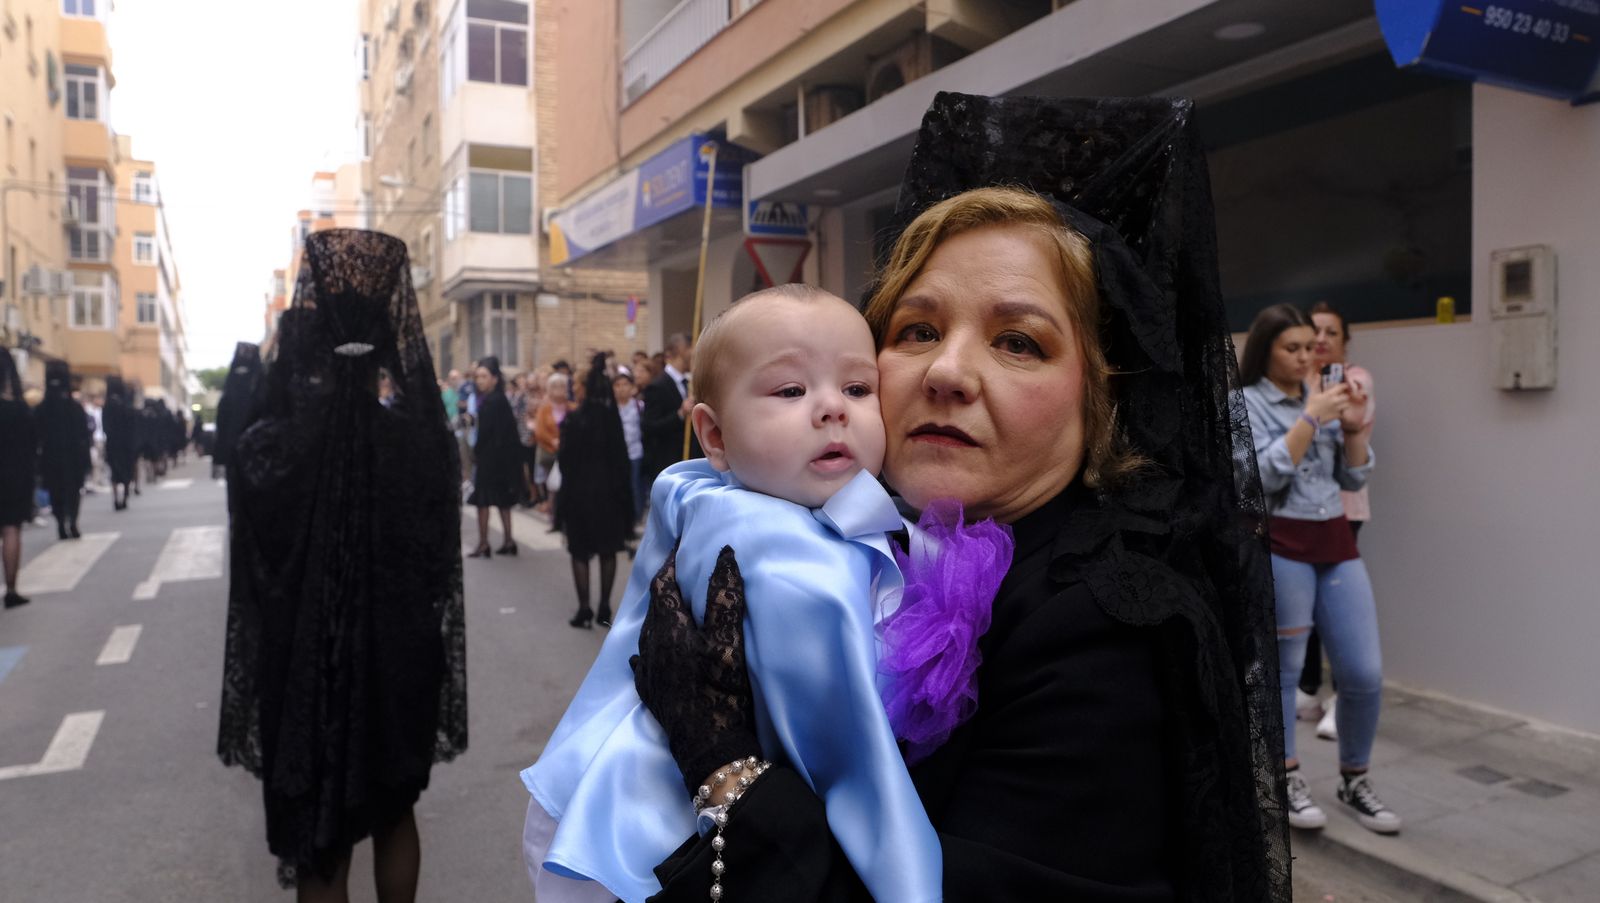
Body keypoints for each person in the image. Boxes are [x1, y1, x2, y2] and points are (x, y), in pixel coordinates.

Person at [610, 94, 1290, 902]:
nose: (946, 371)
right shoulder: (850, 534)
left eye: (1018, 341)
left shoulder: (1106, 630)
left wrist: (721, 763)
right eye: (918, 330)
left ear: (1102, 397)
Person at [526, 289, 955, 903]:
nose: (833, 408)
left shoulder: (712, 498)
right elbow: (849, 755)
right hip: (676, 840)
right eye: (790, 391)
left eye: (859, 390)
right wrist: (907, 882)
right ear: (715, 435)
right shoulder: (776, 553)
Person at [219, 229, 467, 900]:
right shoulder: (425, 443)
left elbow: (253, 562)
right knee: (395, 811)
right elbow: (441, 561)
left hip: (308, 665)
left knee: (319, 835)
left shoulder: (270, 448)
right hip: (401, 656)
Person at [1240, 303, 1398, 836]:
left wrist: (1352, 430)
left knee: (1362, 673)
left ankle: (1354, 779)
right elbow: (1257, 477)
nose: (1308, 356)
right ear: (1266, 351)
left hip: (1334, 541)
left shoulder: (1326, 400)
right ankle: (1285, 778)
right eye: (1294, 348)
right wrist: (1310, 417)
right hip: (1282, 542)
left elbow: (1352, 482)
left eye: (1311, 346)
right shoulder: (1245, 404)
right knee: (1284, 672)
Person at [1296, 301, 1377, 740]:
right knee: (1301, 605)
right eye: (1315, 334)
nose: (1322, 341)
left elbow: (1347, 427)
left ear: (1345, 341)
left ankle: (1343, 698)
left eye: (1330, 333)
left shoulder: (1355, 380)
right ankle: (1308, 690)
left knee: (1337, 610)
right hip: (1299, 513)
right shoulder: (1296, 383)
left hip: (1343, 510)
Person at [550, 353, 636, 631]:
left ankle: (584, 607)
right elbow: (622, 460)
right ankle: (604, 606)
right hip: (609, 496)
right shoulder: (612, 421)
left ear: (584, 387)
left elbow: (565, 462)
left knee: (580, 551)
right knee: (608, 550)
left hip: (579, 496)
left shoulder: (574, 421)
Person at [467, 356, 523, 558]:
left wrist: (477, 452)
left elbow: (487, 434)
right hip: (501, 461)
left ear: (494, 379)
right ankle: (508, 540)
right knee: (502, 501)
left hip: (491, 460)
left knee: (483, 502)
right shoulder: (498, 400)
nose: (479, 380)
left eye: (484, 376)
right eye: (477, 376)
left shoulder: (492, 401)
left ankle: (484, 543)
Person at [37, 361, 91, 541]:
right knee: (73, 492)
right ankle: (72, 522)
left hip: (51, 457)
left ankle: (62, 522)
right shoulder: (74, 408)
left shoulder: (42, 408)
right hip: (73, 457)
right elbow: (85, 434)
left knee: (56, 492)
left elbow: (36, 434)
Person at [639, 332, 698, 487]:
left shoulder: (688, 382)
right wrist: (679, 414)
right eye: (691, 348)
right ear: (680, 350)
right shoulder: (657, 386)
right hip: (669, 462)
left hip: (689, 460)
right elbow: (649, 426)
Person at [0, 350, 35, 609]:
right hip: (13, 477)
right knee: (11, 529)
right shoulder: (20, 410)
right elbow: (32, 447)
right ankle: (11, 589)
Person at [532, 372, 570, 516]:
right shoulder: (544, 408)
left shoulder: (571, 406)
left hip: (567, 451)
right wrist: (553, 441)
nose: (559, 389)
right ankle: (554, 514)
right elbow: (540, 430)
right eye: (555, 386)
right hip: (549, 451)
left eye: (562, 386)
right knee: (552, 485)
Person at [611, 370, 646, 524]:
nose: (622, 388)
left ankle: (636, 515)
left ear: (632, 387)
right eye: (617, 385)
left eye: (625, 384)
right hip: (617, 453)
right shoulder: (610, 408)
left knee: (634, 484)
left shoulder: (639, 406)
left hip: (635, 452)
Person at [102, 376, 139, 508]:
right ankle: (125, 495)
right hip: (127, 444)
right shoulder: (127, 405)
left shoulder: (107, 406)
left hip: (112, 444)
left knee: (114, 472)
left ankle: (115, 497)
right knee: (126, 470)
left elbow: (105, 427)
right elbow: (133, 426)